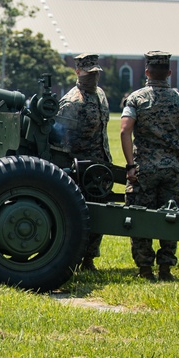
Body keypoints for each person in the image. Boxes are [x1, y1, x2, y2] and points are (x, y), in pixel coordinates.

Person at [120, 52, 179, 281]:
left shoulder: (136, 99)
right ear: (169, 73)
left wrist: (130, 166)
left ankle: (145, 269)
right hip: (171, 170)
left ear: (146, 72)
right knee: (170, 217)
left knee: (140, 217)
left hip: (143, 171)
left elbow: (125, 131)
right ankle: (165, 269)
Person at [55, 53, 111, 271]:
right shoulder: (71, 102)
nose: (93, 77)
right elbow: (60, 139)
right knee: (79, 216)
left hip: (100, 165)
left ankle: (89, 259)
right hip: (79, 167)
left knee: (100, 214)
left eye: (96, 73)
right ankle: (74, 258)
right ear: (78, 72)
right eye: (89, 73)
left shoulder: (101, 95)